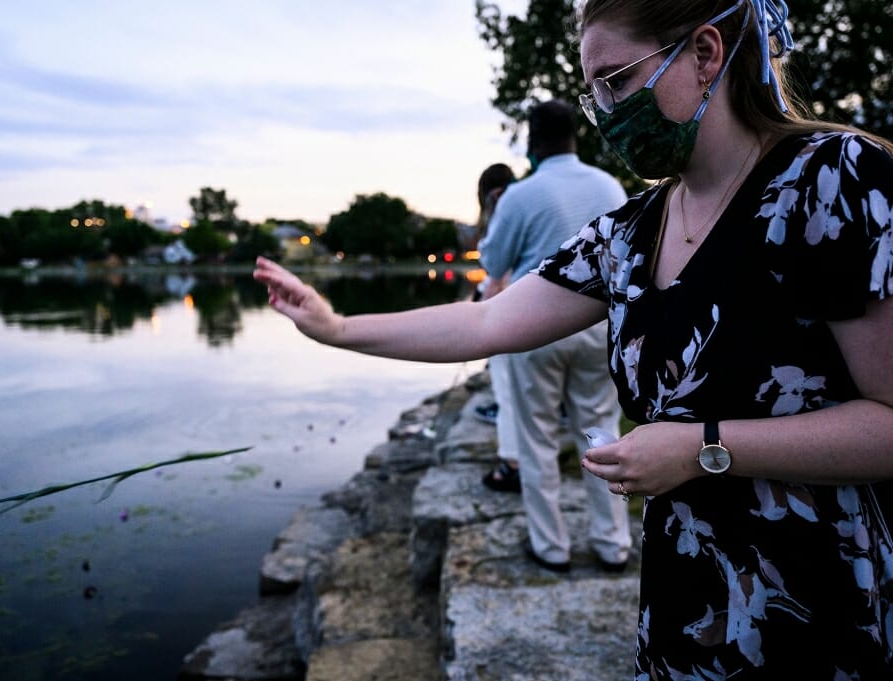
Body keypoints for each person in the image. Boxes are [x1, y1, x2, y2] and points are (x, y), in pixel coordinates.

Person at [254, 0, 893, 676]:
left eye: (616, 80)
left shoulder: (834, 179)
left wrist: (705, 447)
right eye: (592, 91)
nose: (605, 111)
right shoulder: (629, 233)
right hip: (687, 615)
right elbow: (486, 320)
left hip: (819, 612)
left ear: (705, 53)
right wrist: (338, 327)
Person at [470, 100, 632, 577]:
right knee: (602, 433)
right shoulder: (608, 185)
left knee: (535, 437)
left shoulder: (521, 194)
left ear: (532, 141)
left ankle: (552, 546)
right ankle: (613, 543)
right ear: (575, 135)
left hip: (534, 328)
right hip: (599, 325)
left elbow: (494, 264)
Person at [470, 163, 516, 436]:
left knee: (504, 368)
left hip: (512, 303)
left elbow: (495, 265)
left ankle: (510, 460)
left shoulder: (508, 212)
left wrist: (483, 305)